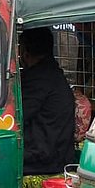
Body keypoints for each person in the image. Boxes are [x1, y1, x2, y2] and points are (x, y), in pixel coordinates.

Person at [20, 27, 75, 176]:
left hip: (43, 161)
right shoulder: (52, 74)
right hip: (55, 155)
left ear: (25, 51)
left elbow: (17, 117)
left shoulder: (38, 78)